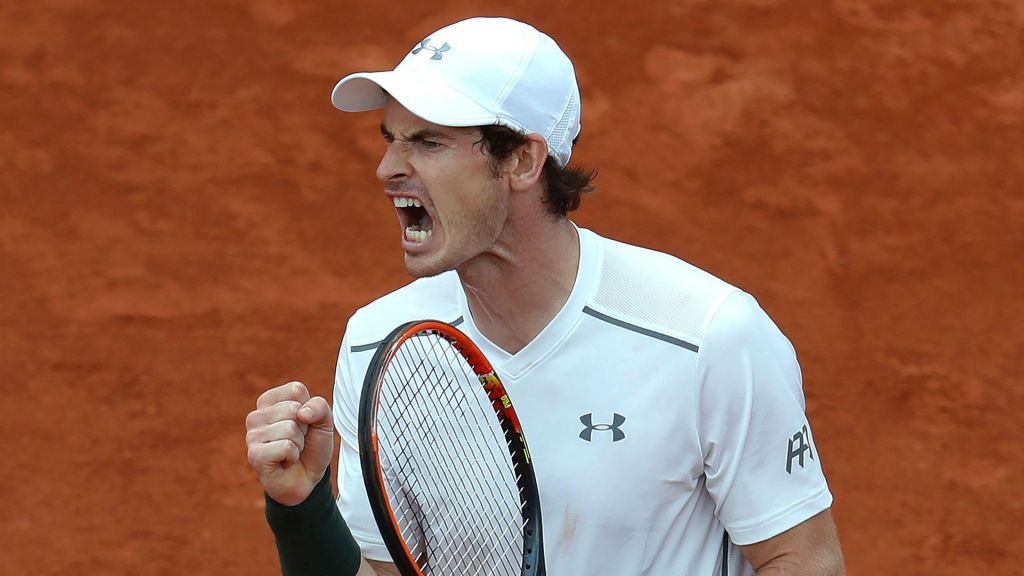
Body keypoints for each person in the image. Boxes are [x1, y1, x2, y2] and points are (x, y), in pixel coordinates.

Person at [245, 16, 845, 576]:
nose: (387, 168)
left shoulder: (705, 336)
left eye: (428, 143)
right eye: (391, 139)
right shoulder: (379, 347)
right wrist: (301, 509)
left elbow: (802, 558)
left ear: (523, 161)